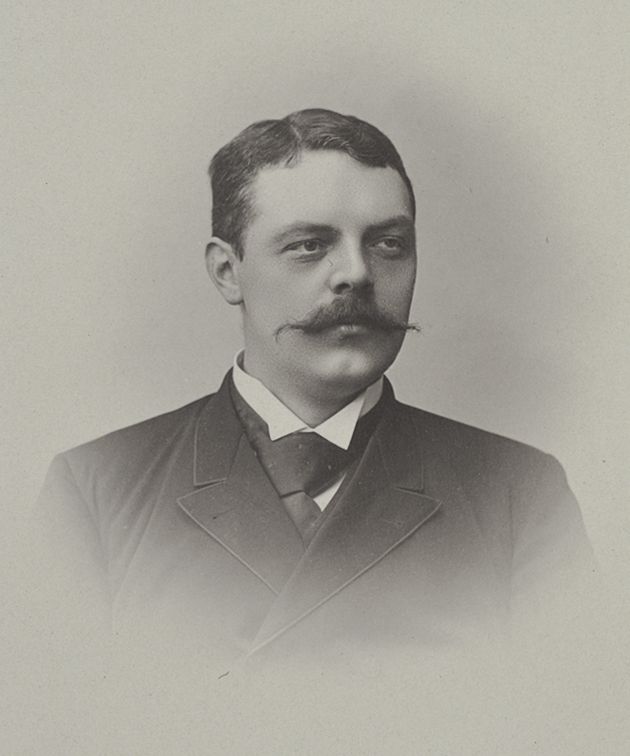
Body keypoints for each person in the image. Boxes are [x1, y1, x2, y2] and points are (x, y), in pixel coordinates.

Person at [36, 109, 593, 662]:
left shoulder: (519, 495)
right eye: (309, 244)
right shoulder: (98, 492)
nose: (357, 273)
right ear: (227, 272)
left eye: (388, 243)